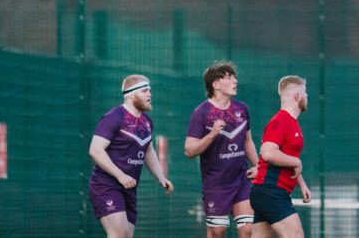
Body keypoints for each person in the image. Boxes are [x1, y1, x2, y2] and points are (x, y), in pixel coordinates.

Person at [88, 74, 174, 237]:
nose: (150, 94)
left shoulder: (147, 122)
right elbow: (95, 150)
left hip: (129, 189)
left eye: (150, 90)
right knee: (118, 234)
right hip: (106, 186)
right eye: (145, 91)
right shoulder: (113, 117)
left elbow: (148, 150)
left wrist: (161, 177)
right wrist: (120, 175)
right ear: (131, 94)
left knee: (126, 235)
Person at [185, 61, 259, 237]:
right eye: (229, 78)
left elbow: (248, 141)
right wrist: (212, 135)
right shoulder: (201, 113)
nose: (235, 81)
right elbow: (189, 151)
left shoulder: (242, 108)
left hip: (241, 180)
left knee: (248, 229)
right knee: (217, 232)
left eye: (234, 77)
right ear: (215, 84)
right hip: (216, 184)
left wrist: (259, 166)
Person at [250, 75, 312, 238]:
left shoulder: (291, 123)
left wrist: (302, 185)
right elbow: (268, 153)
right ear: (298, 96)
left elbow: (286, 159)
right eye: (305, 92)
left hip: (267, 193)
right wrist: (297, 161)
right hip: (271, 192)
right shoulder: (281, 121)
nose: (307, 96)